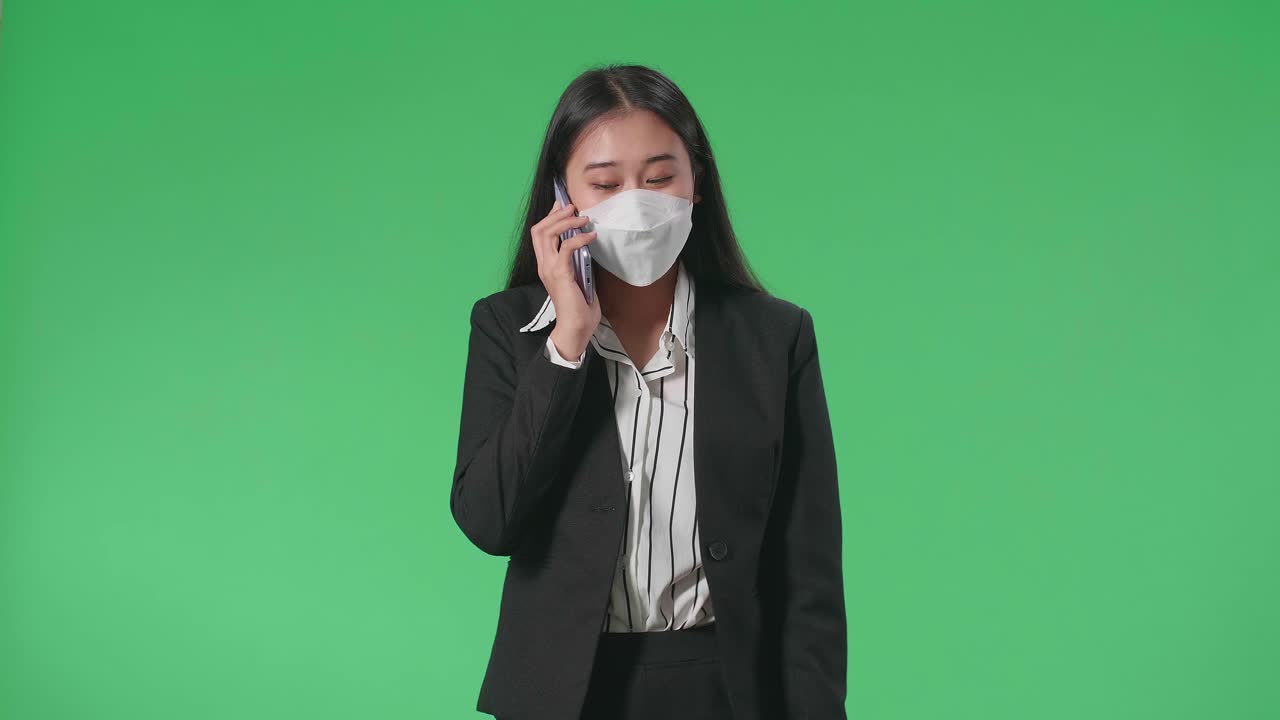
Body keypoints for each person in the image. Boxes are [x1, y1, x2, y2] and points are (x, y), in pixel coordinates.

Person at [451, 63, 846, 720]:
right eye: (605, 184)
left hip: (724, 688)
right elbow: (489, 521)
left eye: (660, 177)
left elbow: (809, 568)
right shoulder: (508, 329)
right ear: (561, 197)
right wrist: (566, 342)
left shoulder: (775, 337)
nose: (636, 204)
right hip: (561, 696)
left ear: (697, 184)